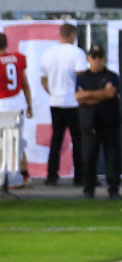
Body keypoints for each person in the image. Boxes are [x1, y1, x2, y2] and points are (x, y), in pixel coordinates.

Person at [39, 23, 88, 185]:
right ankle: (79, 176)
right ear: (73, 35)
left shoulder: (48, 54)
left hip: (55, 101)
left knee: (56, 139)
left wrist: (52, 92)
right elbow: (81, 76)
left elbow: (43, 79)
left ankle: (52, 175)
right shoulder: (77, 53)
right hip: (73, 102)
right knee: (77, 139)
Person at [74, 44, 121, 200]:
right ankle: (88, 188)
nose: (97, 60)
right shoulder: (82, 77)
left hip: (109, 122)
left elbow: (112, 93)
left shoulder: (112, 76)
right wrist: (102, 94)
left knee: (112, 157)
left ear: (104, 58)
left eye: (100, 57)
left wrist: (89, 96)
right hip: (89, 123)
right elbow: (79, 97)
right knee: (88, 157)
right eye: (94, 57)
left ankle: (113, 189)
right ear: (89, 59)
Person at [0, 31, 33, 188]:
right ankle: (24, 175)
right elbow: (25, 84)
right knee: (17, 141)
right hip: (17, 104)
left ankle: (4, 178)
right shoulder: (18, 58)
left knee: (3, 142)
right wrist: (29, 105)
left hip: (2, 105)